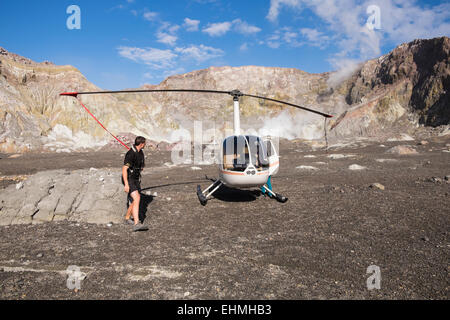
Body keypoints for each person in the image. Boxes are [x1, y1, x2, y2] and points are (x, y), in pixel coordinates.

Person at [122, 136, 149, 232]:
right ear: (141, 144)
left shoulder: (141, 152)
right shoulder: (130, 154)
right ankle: (136, 224)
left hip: (136, 179)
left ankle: (126, 218)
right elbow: (124, 169)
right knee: (137, 198)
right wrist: (126, 184)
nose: (145, 144)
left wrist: (141, 167)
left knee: (135, 200)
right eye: (145, 143)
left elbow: (141, 165)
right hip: (129, 179)